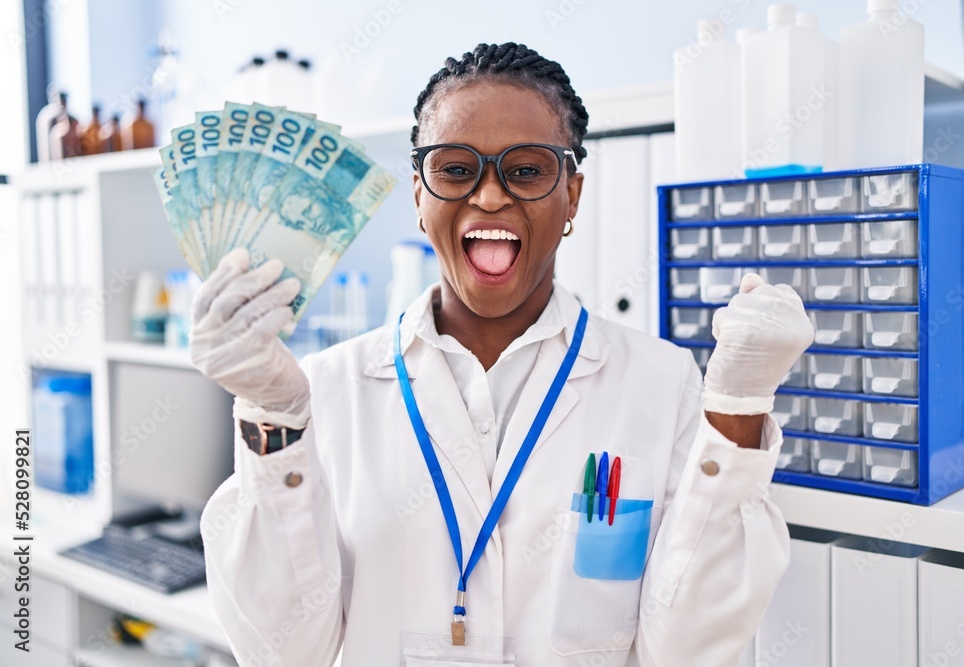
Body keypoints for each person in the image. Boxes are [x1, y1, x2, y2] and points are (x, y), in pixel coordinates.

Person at [193, 42, 814, 666]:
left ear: (571, 195)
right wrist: (272, 418)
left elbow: (686, 651)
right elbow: (285, 652)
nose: (490, 197)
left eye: (527, 170)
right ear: (418, 194)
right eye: (456, 169)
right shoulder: (325, 392)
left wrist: (739, 409)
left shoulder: (660, 381)